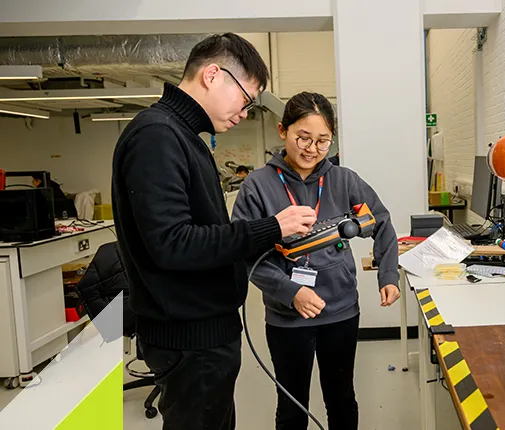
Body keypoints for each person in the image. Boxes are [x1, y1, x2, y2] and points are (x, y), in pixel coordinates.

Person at [110, 33, 318, 430]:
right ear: (212, 75)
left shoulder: (185, 137)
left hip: (204, 334)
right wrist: (270, 228)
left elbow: (201, 234)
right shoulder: (157, 136)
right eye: (246, 98)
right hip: (190, 339)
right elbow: (173, 244)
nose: (244, 112)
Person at [231, 92, 401, 430]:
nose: (312, 149)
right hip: (286, 318)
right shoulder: (258, 186)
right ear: (282, 130)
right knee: (292, 406)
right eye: (303, 138)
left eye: (322, 141)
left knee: (341, 398)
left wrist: (388, 274)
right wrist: (289, 291)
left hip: (340, 311)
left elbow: (380, 222)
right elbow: (245, 254)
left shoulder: (344, 180)